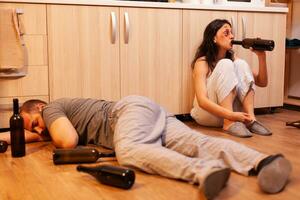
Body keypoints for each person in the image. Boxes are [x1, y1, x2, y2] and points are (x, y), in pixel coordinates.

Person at [0, 95, 291, 199]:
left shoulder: (51, 108)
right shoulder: (51, 118)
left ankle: (204, 171)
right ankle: (264, 162)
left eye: (34, 122)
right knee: (196, 141)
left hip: (126, 115)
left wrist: (41, 133)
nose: (38, 129)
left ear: (39, 107)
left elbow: (67, 140)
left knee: (128, 150)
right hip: (148, 114)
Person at [191, 19, 272, 138]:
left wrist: (261, 56)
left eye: (232, 32)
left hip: (232, 116)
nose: (232, 36)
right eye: (226, 33)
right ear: (214, 38)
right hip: (207, 115)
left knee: (241, 64)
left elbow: (262, 82)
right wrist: (230, 116)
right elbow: (202, 102)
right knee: (226, 63)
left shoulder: (234, 59)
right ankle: (229, 123)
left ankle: (250, 120)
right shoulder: (202, 62)